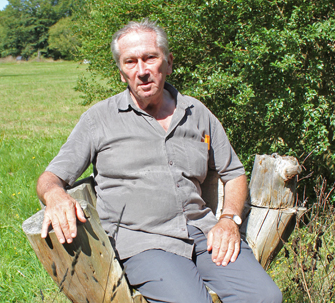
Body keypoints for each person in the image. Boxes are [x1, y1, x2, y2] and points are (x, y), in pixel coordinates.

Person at [37, 19, 282, 303]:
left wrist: (228, 220)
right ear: (121, 72)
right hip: (145, 243)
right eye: (130, 62)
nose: (141, 71)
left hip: (204, 233)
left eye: (150, 58)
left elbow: (234, 172)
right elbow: (50, 177)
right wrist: (55, 196)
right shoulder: (99, 119)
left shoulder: (197, 112)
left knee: (265, 296)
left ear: (168, 63)